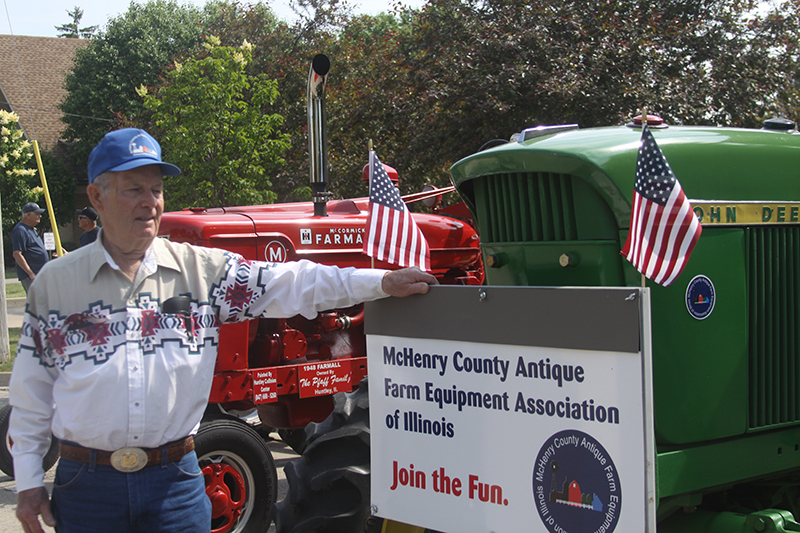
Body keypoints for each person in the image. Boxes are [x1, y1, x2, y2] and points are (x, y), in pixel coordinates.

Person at [10, 128, 437, 533]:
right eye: (134, 189)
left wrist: (381, 281)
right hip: (88, 489)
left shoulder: (202, 273)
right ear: (96, 198)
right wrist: (29, 481)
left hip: (174, 484)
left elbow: (293, 282)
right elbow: (32, 392)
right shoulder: (56, 285)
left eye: (157, 189)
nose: (150, 202)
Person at [11, 202, 49, 294]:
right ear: (28, 215)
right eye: (37, 214)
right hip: (31, 275)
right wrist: (31, 274)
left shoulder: (31, 229)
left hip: (39, 273)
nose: (40, 216)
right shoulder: (20, 230)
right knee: (37, 302)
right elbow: (17, 254)